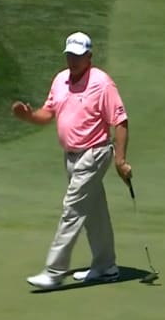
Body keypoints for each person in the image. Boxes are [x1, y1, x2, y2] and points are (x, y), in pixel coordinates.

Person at [12, 31, 133, 289]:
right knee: (93, 211)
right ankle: (106, 266)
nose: (73, 61)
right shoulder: (60, 80)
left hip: (95, 153)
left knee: (73, 208)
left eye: (78, 56)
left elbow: (120, 121)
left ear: (89, 56)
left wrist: (121, 160)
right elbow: (48, 113)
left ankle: (54, 271)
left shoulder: (102, 83)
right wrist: (28, 116)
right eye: (70, 55)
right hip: (71, 156)